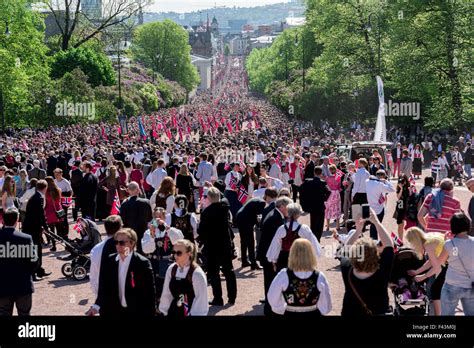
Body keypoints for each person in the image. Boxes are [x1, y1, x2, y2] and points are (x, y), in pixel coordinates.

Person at [87, 228, 156, 317]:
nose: (118, 245)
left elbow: (149, 294)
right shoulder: (109, 260)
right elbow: (104, 287)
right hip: (114, 311)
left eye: (122, 243)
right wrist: (96, 307)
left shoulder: (142, 263)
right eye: (116, 242)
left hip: (135, 312)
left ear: (132, 243)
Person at [340, 208, 395, 316]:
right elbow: (389, 245)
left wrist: (358, 230)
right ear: (375, 254)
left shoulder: (347, 267)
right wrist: (376, 222)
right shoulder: (382, 269)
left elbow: (346, 249)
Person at [268, 239, 332, 316]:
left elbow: (272, 297)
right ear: (311, 254)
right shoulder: (319, 276)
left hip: (290, 312)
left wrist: (282, 308)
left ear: (292, 254)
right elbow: (327, 303)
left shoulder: (284, 274)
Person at [198, 187, 237, 306]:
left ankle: (218, 298)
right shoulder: (225, 208)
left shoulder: (206, 212)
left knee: (214, 273)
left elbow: (201, 231)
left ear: (209, 198)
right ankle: (232, 297)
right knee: (229, 271)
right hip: (225, 244)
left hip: (212, 246)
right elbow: (224, 199)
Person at [257, 196, 291, 315]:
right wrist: (274, 260)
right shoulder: (275, 219)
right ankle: (269, 309)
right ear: (282, 207)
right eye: (288, 207)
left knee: (270, 282)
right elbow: (274, 243)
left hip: (267, 255)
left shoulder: (275, 215)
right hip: (268, 256)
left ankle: (270, 307)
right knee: (271, 283)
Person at [159, 239, 209, 316]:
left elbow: (201, 301)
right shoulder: (172, 269)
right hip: (173, 311)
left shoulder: (197, 274)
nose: (175, 255)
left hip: (190, 312)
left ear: (189, 254)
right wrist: (163, 311)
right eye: (173, 252)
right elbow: (166, 294)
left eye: (179, 253)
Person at [0, 208, 36, 316]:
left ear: (2, 221)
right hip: (23, 284)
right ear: (17, 221)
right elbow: (34, 262)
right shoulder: (26, 238)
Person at [266, 203, 322, 272]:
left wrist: (274, 260)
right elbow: (313, 244)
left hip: (284, 259)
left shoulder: (281, 229)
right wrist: (314, 257)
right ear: (298, 214)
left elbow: (276, 246)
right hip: (301, 258)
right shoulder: (304, 229)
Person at [406, 227, 447, 316]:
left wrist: (422, 277)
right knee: (437, 288)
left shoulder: (428, 245)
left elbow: (436, 268)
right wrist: (416, 272)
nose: (412, 245)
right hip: (450, 260)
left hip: (450, 263)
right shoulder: (429, 237)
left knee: (435, 289)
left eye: (411, 242)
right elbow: (432, 261)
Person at [440, 213, 474, 315]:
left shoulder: (450, 244)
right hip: (471, 285)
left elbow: (441, 261)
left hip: (452, 285)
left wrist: (446, 241)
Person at [22, 179, 52, 281]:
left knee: (37, 249)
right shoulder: (39, 198)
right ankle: (34, 273)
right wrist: (45, 227)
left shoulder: (36, 196)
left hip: (31, 227)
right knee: (35, 250)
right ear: (45, 188)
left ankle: (39, 270)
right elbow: (41, 215)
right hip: (32, 228)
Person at [89, 215, 123, 297]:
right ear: (120, 229)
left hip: (103, 295)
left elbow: (93, 275)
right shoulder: (125, 249)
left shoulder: (95, 249)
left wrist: (98, 294)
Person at [120, 182, 153, 255]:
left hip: (129, 232)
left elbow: (123, 220)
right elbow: (150, 218)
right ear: (138, 190)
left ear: (128, 191)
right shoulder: (146, 202)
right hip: (143, 231)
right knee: (142, 253)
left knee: (128, 254)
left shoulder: (124, 204)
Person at [299, 166, 330, 241]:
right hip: (320, 206)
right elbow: (329, 192)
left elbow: (300, 189)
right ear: (321, 173)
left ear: (314, 173)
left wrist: (307, 199)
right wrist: (324, 199)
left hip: (312, 206)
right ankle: (317, 240)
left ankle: (313, 239)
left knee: (313, 223)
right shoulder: (323, 183)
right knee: (320, 224)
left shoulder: (309, 182)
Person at [235, 195, 266, 269]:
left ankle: (244, 261)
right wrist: (260, 226)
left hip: (239, 217)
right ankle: (253, 263)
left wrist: (258, 224)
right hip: (246, 221)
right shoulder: (262, 203)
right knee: (250, 242)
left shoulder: (257, 200)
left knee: (244, 242)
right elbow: (259, 217)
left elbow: (255, 215)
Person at [365, 170, 395, 240]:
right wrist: (385, 181)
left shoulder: (367, 182)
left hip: (369, 208)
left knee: (373, 226)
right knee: (376, 227)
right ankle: (374, 243)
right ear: (383, 177)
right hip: (379, 209)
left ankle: (373, 242)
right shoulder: (380, 184)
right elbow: (392, 189)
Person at [44, 177, 64, 251]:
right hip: (59, 210)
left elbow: (45, 203)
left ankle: (54, 245)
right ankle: (61, 240)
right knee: (59, 227)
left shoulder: (46, 192)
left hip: (50, 211)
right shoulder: (58, 190)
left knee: (51, 230)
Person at [324, 165, 342, 231]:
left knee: (328, 209)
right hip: (336, 193)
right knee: (337, 208)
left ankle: (328, 226)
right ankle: (338, 226)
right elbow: (339, 187)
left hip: (330, 194)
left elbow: (326, 186)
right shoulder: (338, 178)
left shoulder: (327, 178)